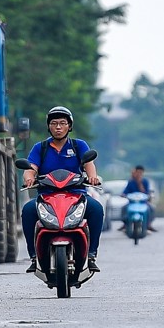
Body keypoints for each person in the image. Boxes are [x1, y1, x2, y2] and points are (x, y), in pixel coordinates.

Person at [20, 106, 105, 273]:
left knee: (96, 209)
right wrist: (29, 178)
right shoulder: (40, 148)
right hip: (47, 196)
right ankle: (33, 256)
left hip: (76, 195)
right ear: (49, 126)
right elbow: (30, 168)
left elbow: (89, 164)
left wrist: (92, 177)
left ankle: (92, 254)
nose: (58, 127)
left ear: (69, 126)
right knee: (28, 211)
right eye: (54, 123)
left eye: (62, 123)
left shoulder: (79, 145)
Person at [124, 164, 158, 232]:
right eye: (138, 172)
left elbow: (146, 192)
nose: (139, 174)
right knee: (124, 208)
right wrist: (124, 195)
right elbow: (125, 192)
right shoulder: (131, 182)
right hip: (132, 202)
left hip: (143, 203)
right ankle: (125, 224)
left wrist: (139, 183)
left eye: (141, 173)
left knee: (151, 208)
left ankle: (148, 224)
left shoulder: (145, 181)